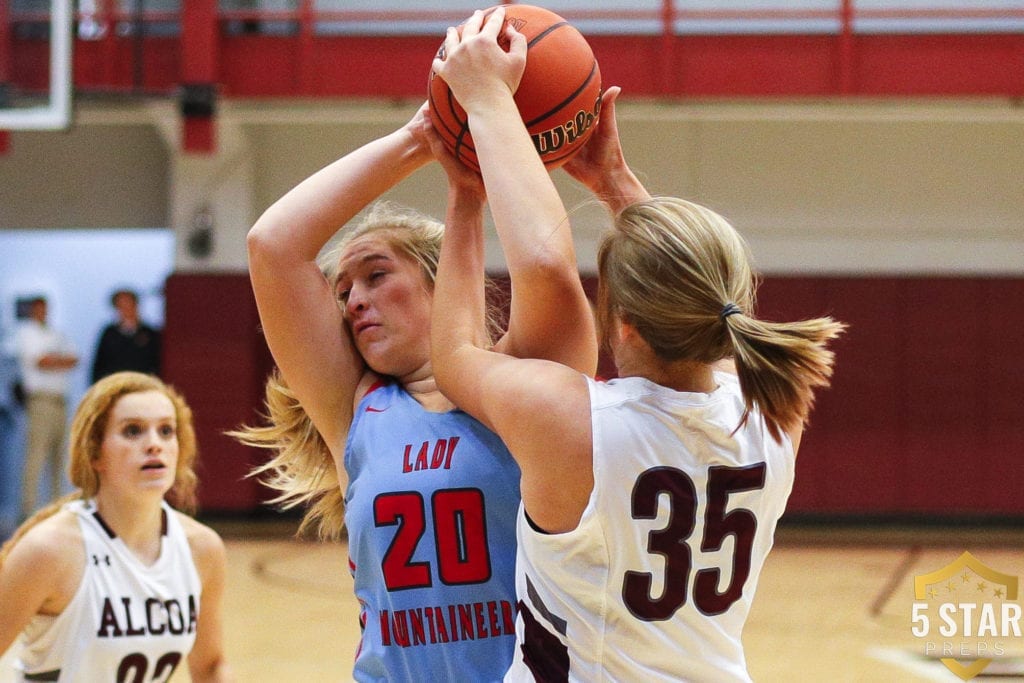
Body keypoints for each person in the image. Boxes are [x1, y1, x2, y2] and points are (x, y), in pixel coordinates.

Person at [429, 9, 845, 682]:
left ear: (621, 324)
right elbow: (692, 290)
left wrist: (470, 175)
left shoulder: (574, 422)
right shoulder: (773, 413)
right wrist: (615, 181)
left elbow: (459, 349)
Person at [232, 82, 597, 680]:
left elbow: (549, 270)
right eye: (344, 291)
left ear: (441, 280)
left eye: (376, 275)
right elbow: (272, 244)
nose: (354, 301)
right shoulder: (356, 410)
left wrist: (468, 193)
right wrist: (421, 136)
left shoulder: (524, 389)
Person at [0, 371, 232, 682]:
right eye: (133, 430)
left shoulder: (201, 548)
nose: (154, 444)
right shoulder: (48, 551)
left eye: (166, 431)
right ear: (95, 452)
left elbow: (210, 666)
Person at [14, 296, 79, 520]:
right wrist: (57, 361)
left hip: (60, 401)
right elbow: (40, 362)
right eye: (39, 308)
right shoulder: (26, 333)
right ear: (33, 310)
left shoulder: (56, 334)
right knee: (36, 455)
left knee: (59, 457)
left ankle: (56, 510)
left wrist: (55, 361)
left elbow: (74, 360)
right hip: (40, 401)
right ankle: (27, 510)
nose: (43, 312)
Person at [91, 288, 162, 382]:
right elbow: (99, 363)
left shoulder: (149, 333)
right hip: (115, 385)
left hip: (143, 385)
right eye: (121, 305)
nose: (126, 308)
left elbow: (157, 362)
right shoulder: (109, 333)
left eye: (129, 303)